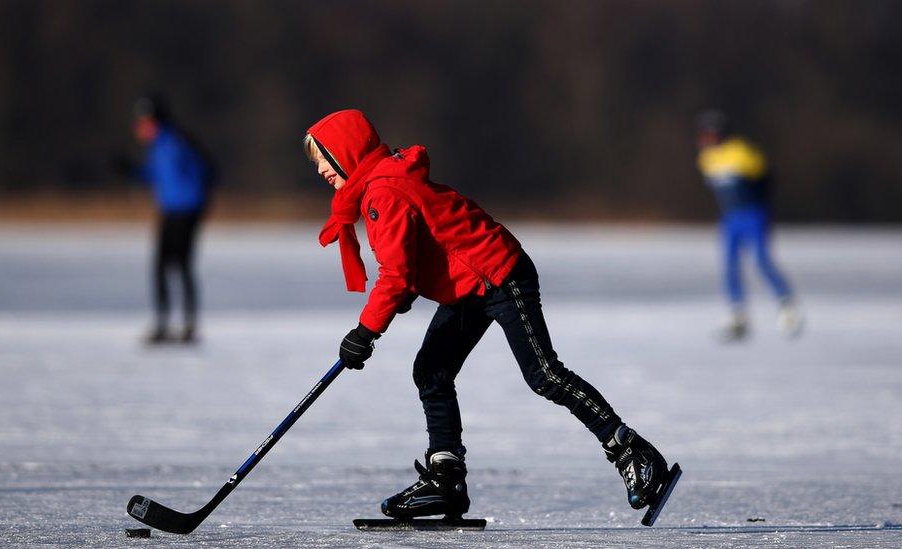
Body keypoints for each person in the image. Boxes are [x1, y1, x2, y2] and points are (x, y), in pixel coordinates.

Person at [304, 109, 677, 521]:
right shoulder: (380, 186)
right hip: (468, 285)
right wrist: (398, 298)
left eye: (324, 156)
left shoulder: (382, 191)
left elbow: (395, 275)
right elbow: (415, 254)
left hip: (500, 274)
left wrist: (364, 332)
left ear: (348, 153)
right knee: (432, 370)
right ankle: (445, 480)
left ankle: (634, 452)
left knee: (543, 374)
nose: (320, 168)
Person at [695, 110, 803, 342]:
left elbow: (766, 177)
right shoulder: (706, 158)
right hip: (730, 217)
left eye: (709, 134)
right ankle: (737, 314)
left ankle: (786, 306)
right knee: (730, 263)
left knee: (761, 260)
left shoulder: (741, 151)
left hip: (753, 213)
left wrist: (764, 208)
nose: (705, 138)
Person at [114, 94, 214, 344]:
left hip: (186, 211)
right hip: (171, 211)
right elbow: (158, 176)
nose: (139, 128)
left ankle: (188, 326)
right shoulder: (160, 144)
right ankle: (164, 323)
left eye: (144, 122)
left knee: (180, 265)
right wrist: (131, 171)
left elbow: (203, 172)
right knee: (162, 266)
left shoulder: (175, 142)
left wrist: (197, 204)